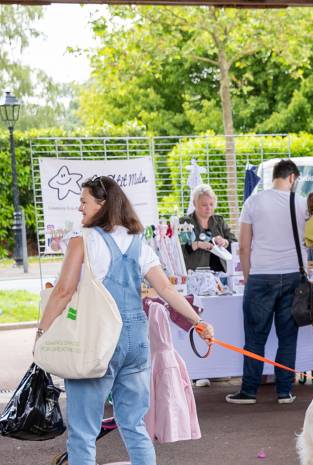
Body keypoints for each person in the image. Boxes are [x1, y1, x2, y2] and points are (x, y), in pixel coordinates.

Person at [37, 176, 214, 465]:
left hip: (97, 342)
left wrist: (42, 331)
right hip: (135, 343)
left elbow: (63, 292)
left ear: (102, 204)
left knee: (83, 432)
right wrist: (198, 321)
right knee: (134, 425)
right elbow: (166, 289)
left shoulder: (82, 240)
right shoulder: (137, 242)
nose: (80, 208)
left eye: (84, 202)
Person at [226, 160, 308, 405]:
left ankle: (249, 391)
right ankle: (285, 391)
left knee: (254, 336)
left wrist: (249, 276)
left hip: (261, 275)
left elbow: (243, 246)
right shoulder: (301, 203)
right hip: (294, 275)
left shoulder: (253, 201)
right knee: (287, 337)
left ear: (275, 177)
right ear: (292, 178)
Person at [179, 184, 236, 273]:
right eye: (204, 205)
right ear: (194, 203)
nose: (209, 208)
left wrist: (224, 242)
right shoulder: (185, 223)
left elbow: (234, 243)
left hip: (222, 273)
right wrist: (198, 244)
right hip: (196, 274)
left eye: (211, 204)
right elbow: (180, 250)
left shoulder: (219, 221)